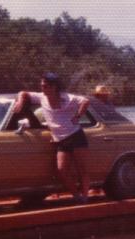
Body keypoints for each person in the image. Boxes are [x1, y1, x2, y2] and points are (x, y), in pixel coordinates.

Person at [13, 73, 91, 203]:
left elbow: (85, 101)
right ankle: (77, 196)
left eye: (46, 86)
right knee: (61, 170)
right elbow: (23, 93)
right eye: (42, 86)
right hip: (60, 139)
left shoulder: (67, 98)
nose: (43, 88)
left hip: (75, 135)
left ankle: (85, 197)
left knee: (81, 169)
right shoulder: (41, 97)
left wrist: (78, 116)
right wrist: (20, 101)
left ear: (54, 87)